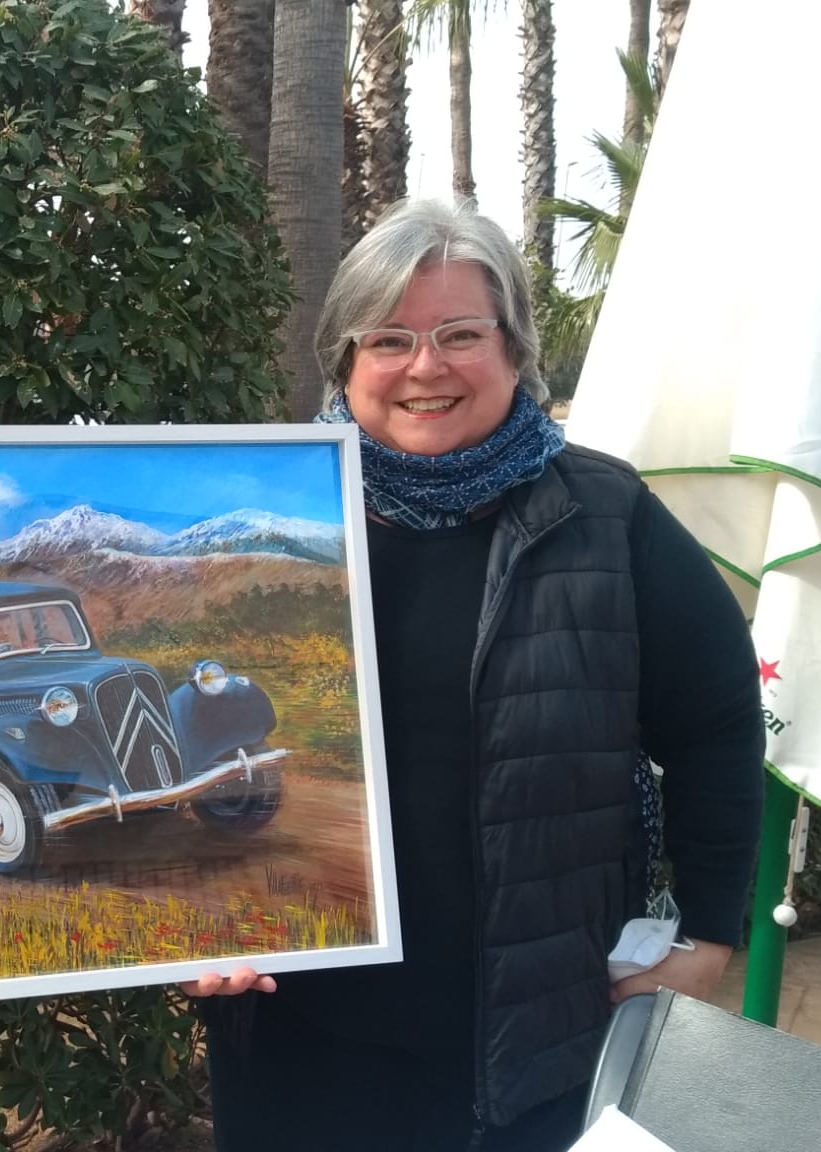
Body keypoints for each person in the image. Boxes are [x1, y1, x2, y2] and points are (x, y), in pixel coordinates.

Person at [184, 198, 765, 1151]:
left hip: (528, 1042)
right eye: (390, 339)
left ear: (513, 349)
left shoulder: (605, 516)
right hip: (298, 1029)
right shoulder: (266, 523)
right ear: (345, 360)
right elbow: (205, 742)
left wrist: (707, 935)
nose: (426, 366)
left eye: (461, 333)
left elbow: (715, 725)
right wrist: (198, 932)